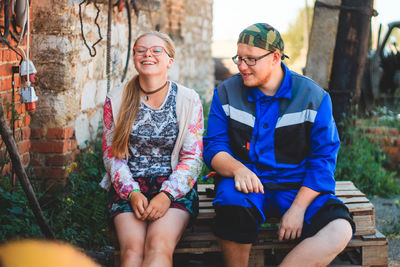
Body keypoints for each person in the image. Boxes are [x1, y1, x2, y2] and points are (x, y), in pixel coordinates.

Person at [203, 23, 355, 267]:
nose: (241, 66)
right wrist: (237, 169)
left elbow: (323, 160)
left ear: (275, 57)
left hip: (296, 186)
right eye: (239, 58)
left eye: (251, 59)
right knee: (232, 211)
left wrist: (297, 209)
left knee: (339, 229)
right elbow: (213, 147)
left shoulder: (313, 97)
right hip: (246, 184)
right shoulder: (226, 93)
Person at [99, 31, 204, 267]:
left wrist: (166, 195)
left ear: (170, 60)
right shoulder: (116, 99)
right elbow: (112, 156)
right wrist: (131, 192)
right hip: (129, 187)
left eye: (157, 50)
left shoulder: (188, 99)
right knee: (132, 251)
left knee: (158, 247)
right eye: (141, 50)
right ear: (134, 57)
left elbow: (193, 157)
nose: (148, 54)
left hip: (174, 188)